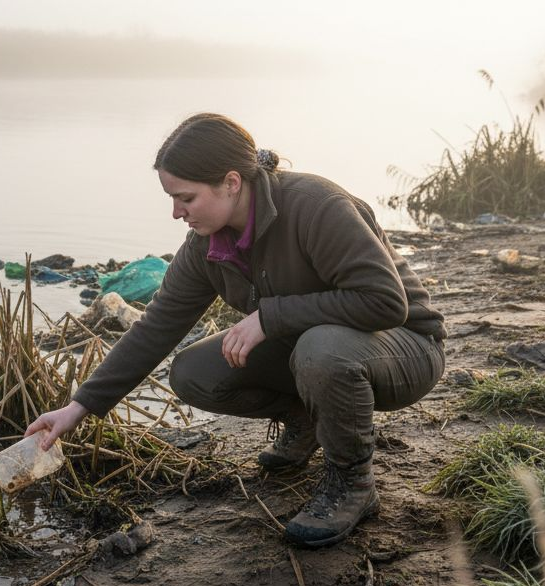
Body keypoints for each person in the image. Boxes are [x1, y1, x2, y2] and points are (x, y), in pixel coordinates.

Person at [25, 113, 446, 548]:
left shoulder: (316, 205)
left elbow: (385, 302)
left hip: (405, 348)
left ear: (230, 182)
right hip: (317, 351)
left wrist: (269, 317)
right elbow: (156, 328)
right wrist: (77, 408)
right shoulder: (206, 245)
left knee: (321, 349)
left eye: (185, 197)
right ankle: (306, 420)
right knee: (193, 372)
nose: (175, 212)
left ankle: (352, 483)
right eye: (171, 198)